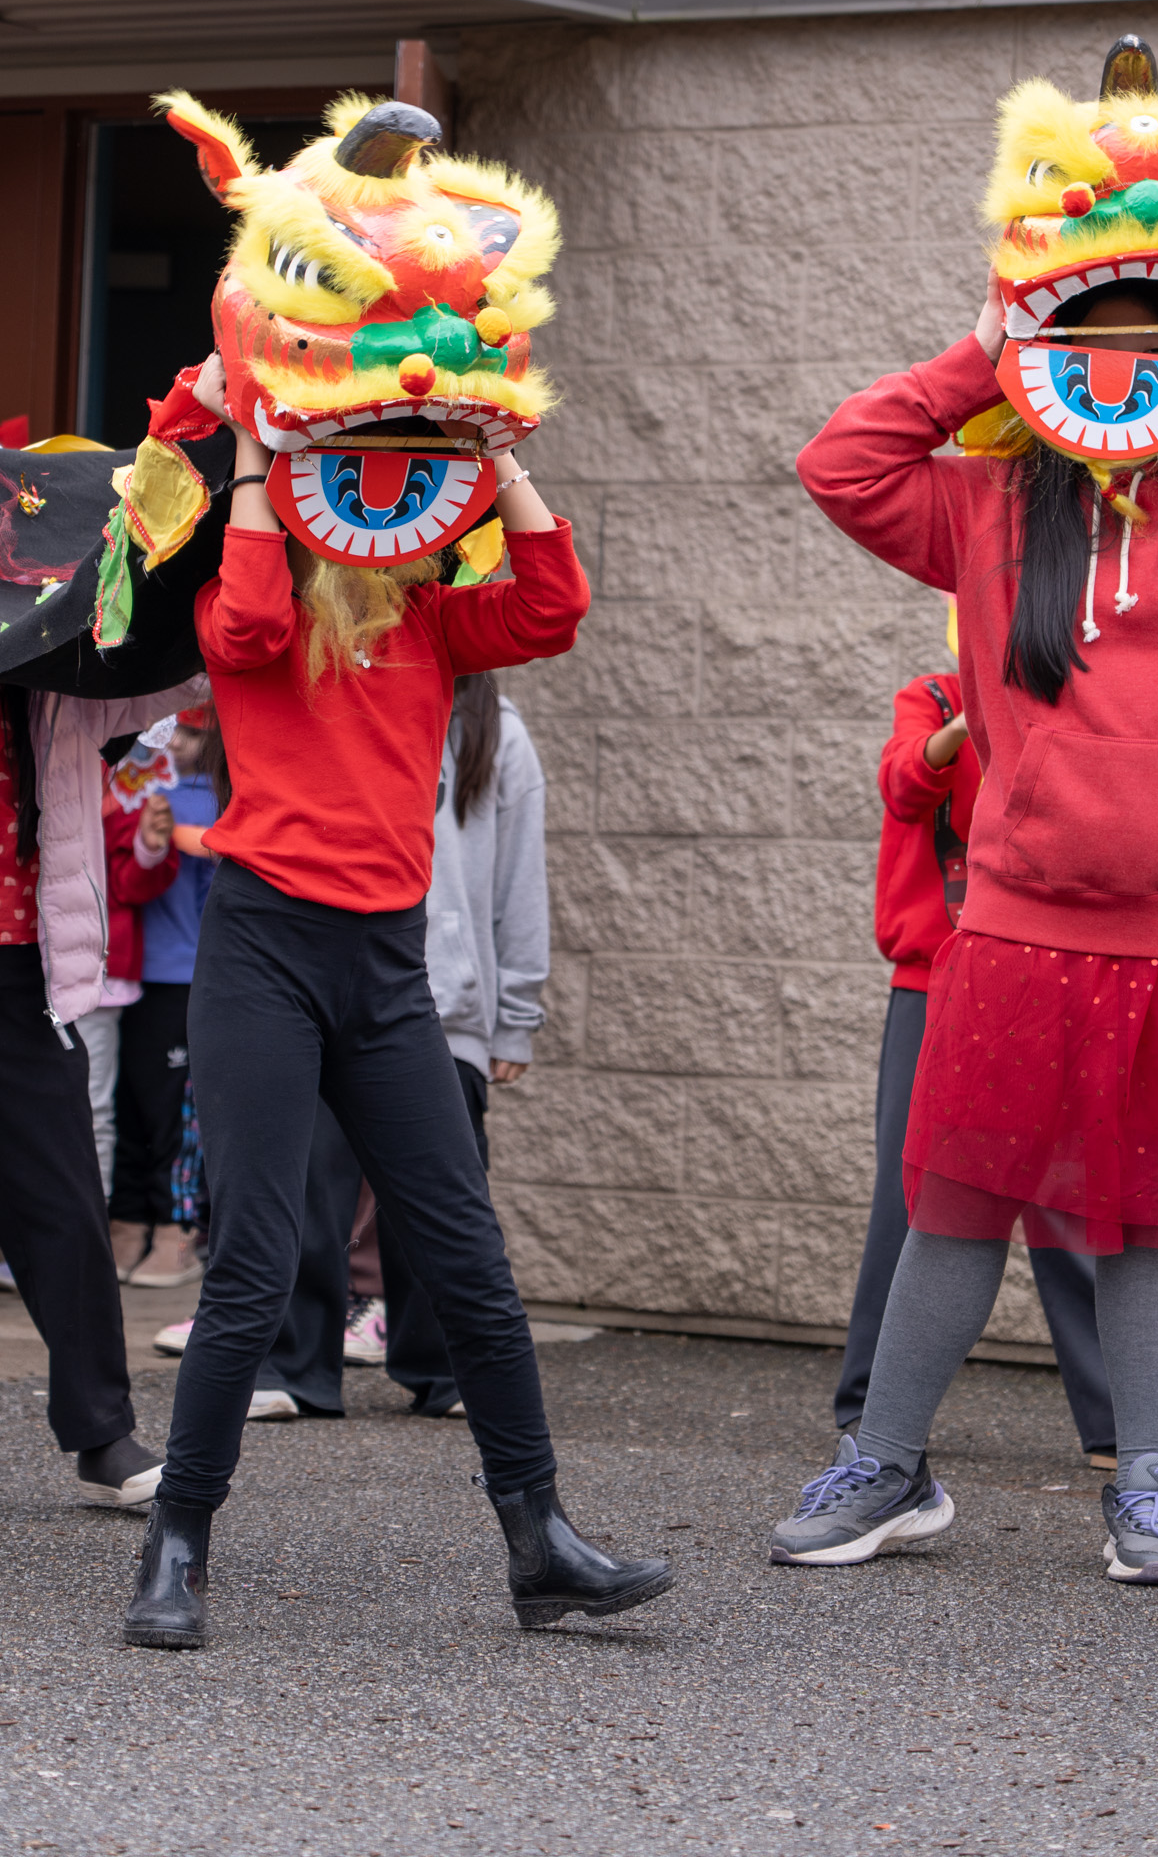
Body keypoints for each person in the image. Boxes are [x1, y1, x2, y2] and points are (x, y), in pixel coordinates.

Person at [773, 258, 1158, 1588]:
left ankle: (1147, 1489)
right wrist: (979, 344)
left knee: (1156, 1220)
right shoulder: (985, 504)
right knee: (957, 1209)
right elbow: (840, 465)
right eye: (1079, 346)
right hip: (1017, 930)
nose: (1117, 370)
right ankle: (885, 1467)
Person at [122, 355, 673, 1648]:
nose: (380, 488)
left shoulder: (431, 617)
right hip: (262, 957)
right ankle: (175, 1548)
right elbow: (252, 627)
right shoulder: (241, 606)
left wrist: (494, 450)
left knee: (469, 1260)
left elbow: (554, 605)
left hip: (383, 969)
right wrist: (263, 459)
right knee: (255, 1264)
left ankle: (540, 1546)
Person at [837, 665, 1158, 1476]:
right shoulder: (938, 695)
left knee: (1078, 1196)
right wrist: (976, 717)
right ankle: (870, 1407)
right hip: (937, 977)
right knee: (914, 1197)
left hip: (1053, 977)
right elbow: (902, 784)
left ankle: (1115, 1421)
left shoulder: (1077, 695)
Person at [251, 671, 550, 1422]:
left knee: (441, 1203)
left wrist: (513, 1017)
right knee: (304, 1192)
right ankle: (294, 1368)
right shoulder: (328, 694)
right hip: (319, 994)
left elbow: (521, 878)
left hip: (442, 1003)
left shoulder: (497, 729)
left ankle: (446, 1370)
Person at [0, 679, 201, 1509]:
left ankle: (101, 1430)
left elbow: (173, 677)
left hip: (18, 970)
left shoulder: (53, 685)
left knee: (64, 1196)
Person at [109, 708, 218, 1288]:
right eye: (169, 729)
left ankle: (178, 1232)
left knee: (176, 1113)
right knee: (125, 1104)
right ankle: (125, 1221)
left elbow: (219, 851)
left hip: (189, 974)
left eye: (193, 730)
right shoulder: (133, 780)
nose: (177, 742)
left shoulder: (224, 793)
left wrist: (167, 831)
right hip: (125, 969)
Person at [77, 781, 179, 1207]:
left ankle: (86, 1234)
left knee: (90, 1108)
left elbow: (132, 885)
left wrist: (148, 845)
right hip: (24, 963)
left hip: (95, 972)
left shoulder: (123, 791)